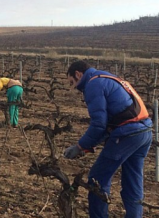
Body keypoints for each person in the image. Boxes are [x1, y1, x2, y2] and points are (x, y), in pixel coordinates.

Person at [63, 60, 152, 218]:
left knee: (97, 178)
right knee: (133, 181)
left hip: (127, 134)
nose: (74, 88)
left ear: (78, 74)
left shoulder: (93, 84)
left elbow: (99, 124)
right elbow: (112, 121)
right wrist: (86, 147)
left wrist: (79, 146)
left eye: (72, 82)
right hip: (144, 132)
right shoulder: (107, 77)